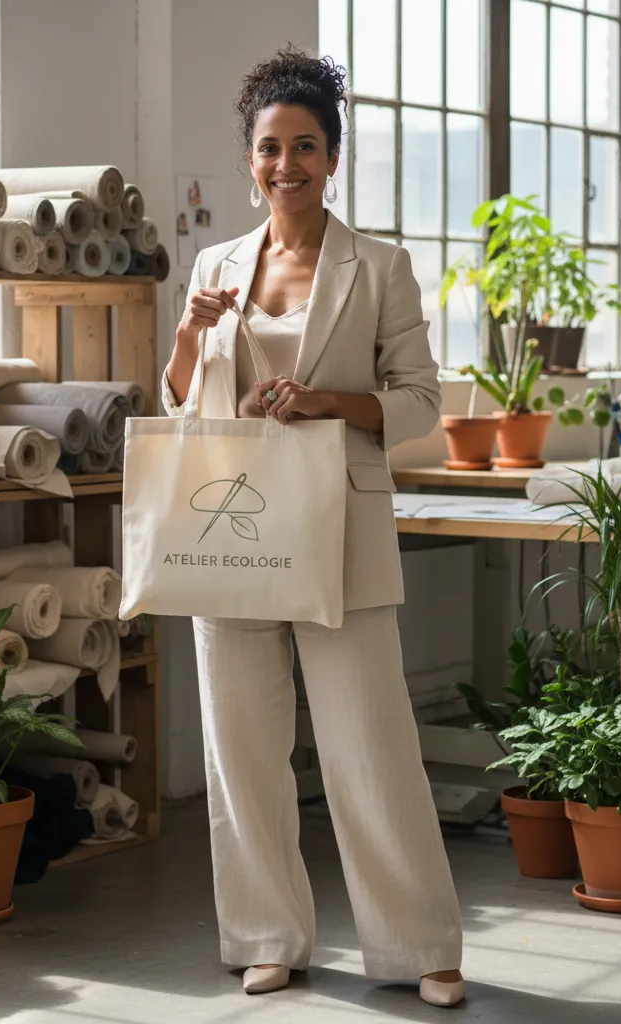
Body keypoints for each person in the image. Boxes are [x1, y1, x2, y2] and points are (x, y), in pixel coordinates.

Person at [162, 47, 466, 1008]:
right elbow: (179, 405)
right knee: (243, 752)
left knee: (372, 747)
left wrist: (326, 400)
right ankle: (265, 936)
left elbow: (421, 405)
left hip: (339, 530)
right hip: (232, 525)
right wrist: (187, 332)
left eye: (304, 145)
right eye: (268, 147)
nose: (284, 163)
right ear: (249, 160)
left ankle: (422, 947)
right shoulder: (213, 265)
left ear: (333, 157)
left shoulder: (379, 266)